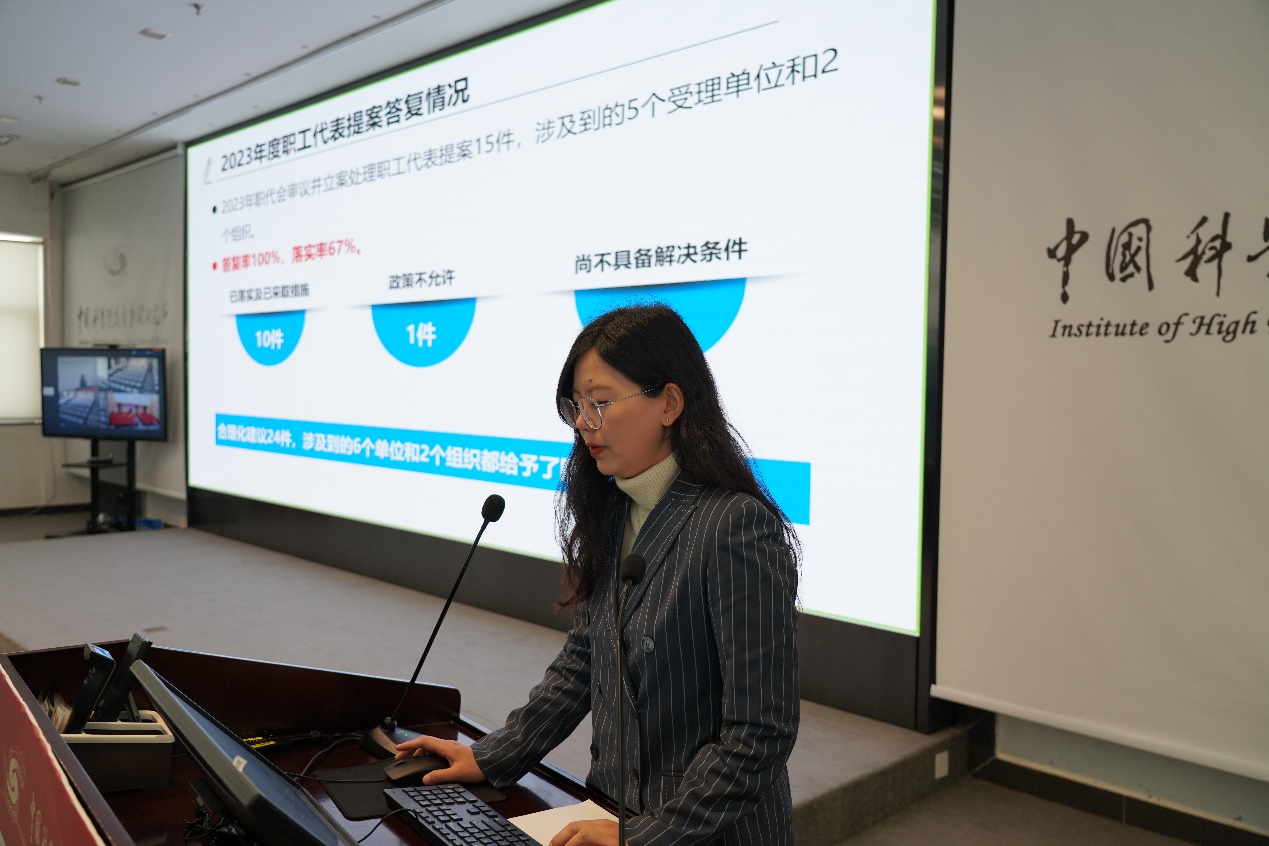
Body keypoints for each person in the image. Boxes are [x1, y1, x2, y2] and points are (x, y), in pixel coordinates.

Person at [395, 304, 800, 845]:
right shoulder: (615, 508)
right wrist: (491, 756)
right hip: (610, 809)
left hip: (702, 831)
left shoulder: (734, 526)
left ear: (670, 403)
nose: (585, 424)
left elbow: (760, 731)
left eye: (601, 403)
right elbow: (585, 659)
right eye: (576, 407)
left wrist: (644, 836)